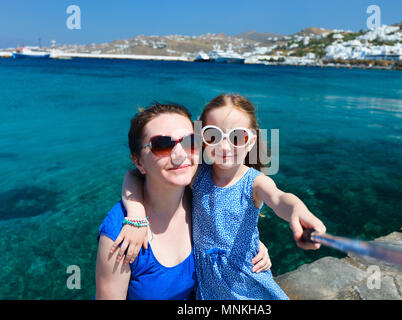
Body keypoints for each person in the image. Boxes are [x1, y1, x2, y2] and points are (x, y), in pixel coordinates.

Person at [117, 94, 327, 299]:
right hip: (209, 286)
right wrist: (136, 213)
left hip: (245, 283)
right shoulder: (197, 174)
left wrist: (298, 212)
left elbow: (280, 198)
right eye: (213, 136)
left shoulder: (255, 182)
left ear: (251, 141)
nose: (225, 147)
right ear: (202, 139)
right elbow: (134, 175)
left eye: (237, 137)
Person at [95, 103, 271, 300]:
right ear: (138, 161)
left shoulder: (201, 198)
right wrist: (136, 216)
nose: (180, 154)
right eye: (162, 144)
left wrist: (246, 243)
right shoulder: (120, 235)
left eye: (190, 142)